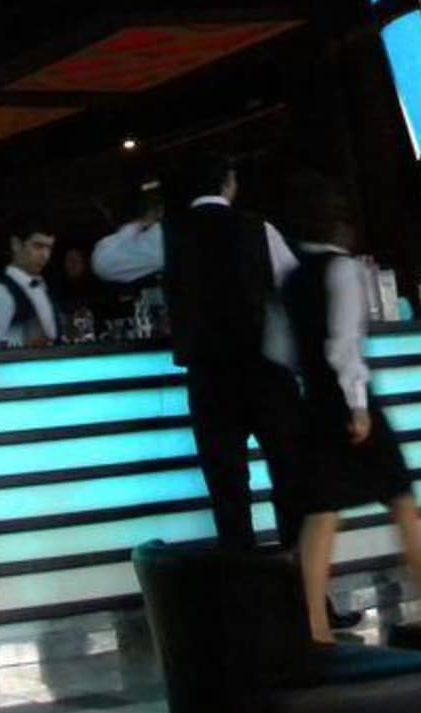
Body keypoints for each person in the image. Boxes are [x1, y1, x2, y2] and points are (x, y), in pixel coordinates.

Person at [93, 153, 302, 552]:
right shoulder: (259, 229)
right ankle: (301, 581)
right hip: (268, 371)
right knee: (289, 480)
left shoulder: (169, 234)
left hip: (210, 377)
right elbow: (295, 288)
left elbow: (105, 263)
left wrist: (140, 223)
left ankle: (244, 585)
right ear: (229, 183)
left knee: (228, 493)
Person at [283, 176, 421, 643]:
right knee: (402, 501)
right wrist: (357, 406)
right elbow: (344, 344)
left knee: (321, 514)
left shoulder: (291, 278)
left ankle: (314, 627)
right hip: (350, 400)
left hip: (314, 402)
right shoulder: (343, 270)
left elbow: (282, 348)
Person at [0, 220, 58, 347]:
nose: (45, 255)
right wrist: (25, 345)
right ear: (16, 244)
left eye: (49, 248)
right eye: (38, 246)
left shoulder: (43, 287)